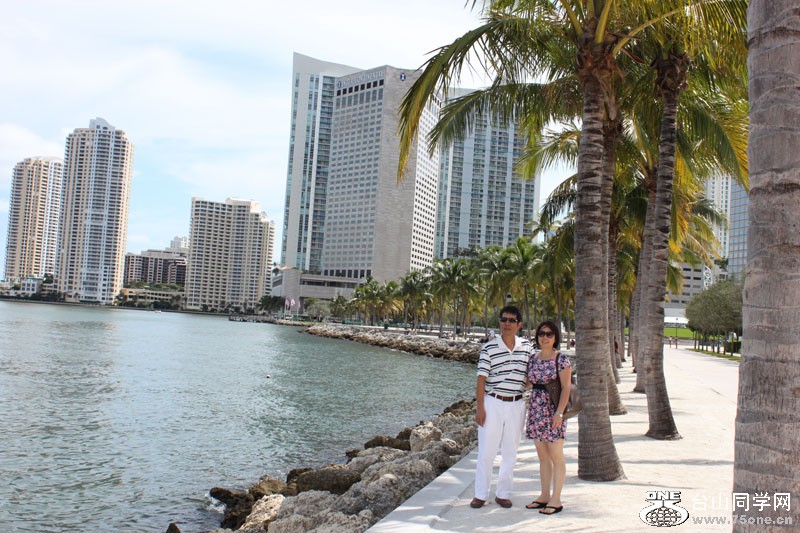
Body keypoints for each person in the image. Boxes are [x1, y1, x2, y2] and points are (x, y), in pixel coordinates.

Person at [471, 305, 533, 509]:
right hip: (493, 403)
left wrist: (529, 382)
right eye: (504, 319)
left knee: (510, 452)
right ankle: (480, 494)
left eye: (512, 320)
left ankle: (503, 493)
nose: (507, 324)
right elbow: (481, 380)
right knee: (486, 451)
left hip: (516, 404)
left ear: (519, 325)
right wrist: (480, 408)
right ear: (499, 322)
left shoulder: (527, 347)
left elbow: (533, 374)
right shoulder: (489, 348)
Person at [524, 320, 571, 515]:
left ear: (555, 338)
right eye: (541, 334)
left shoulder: (561, 359)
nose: (545, 337)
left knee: (556, 455)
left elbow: (566, 387)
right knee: (543, 456)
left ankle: (556, 499)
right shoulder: (533, 359)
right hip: (536, 411)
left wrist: (559, 413)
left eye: (549, 334)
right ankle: (544, 495)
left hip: (553, 412)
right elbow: (528, 383)